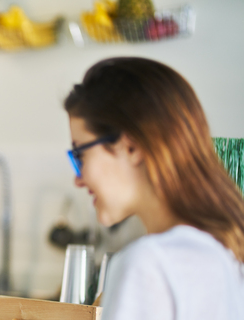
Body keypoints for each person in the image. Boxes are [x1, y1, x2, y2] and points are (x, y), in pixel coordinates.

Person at [64, 57, 244, 319]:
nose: (77, 179)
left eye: (79, 154)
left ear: (132, 147)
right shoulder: (226, 255)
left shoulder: (148, 265)